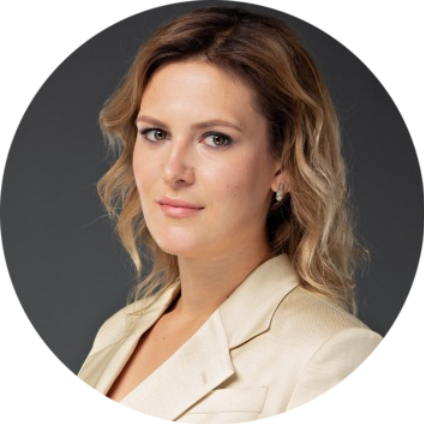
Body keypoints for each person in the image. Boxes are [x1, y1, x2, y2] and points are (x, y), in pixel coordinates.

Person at [77, 6, 383, 421]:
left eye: (216, 138)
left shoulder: (332, 355)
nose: (173, 170)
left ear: (284, 163)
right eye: (156, 133)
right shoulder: (118, 331)